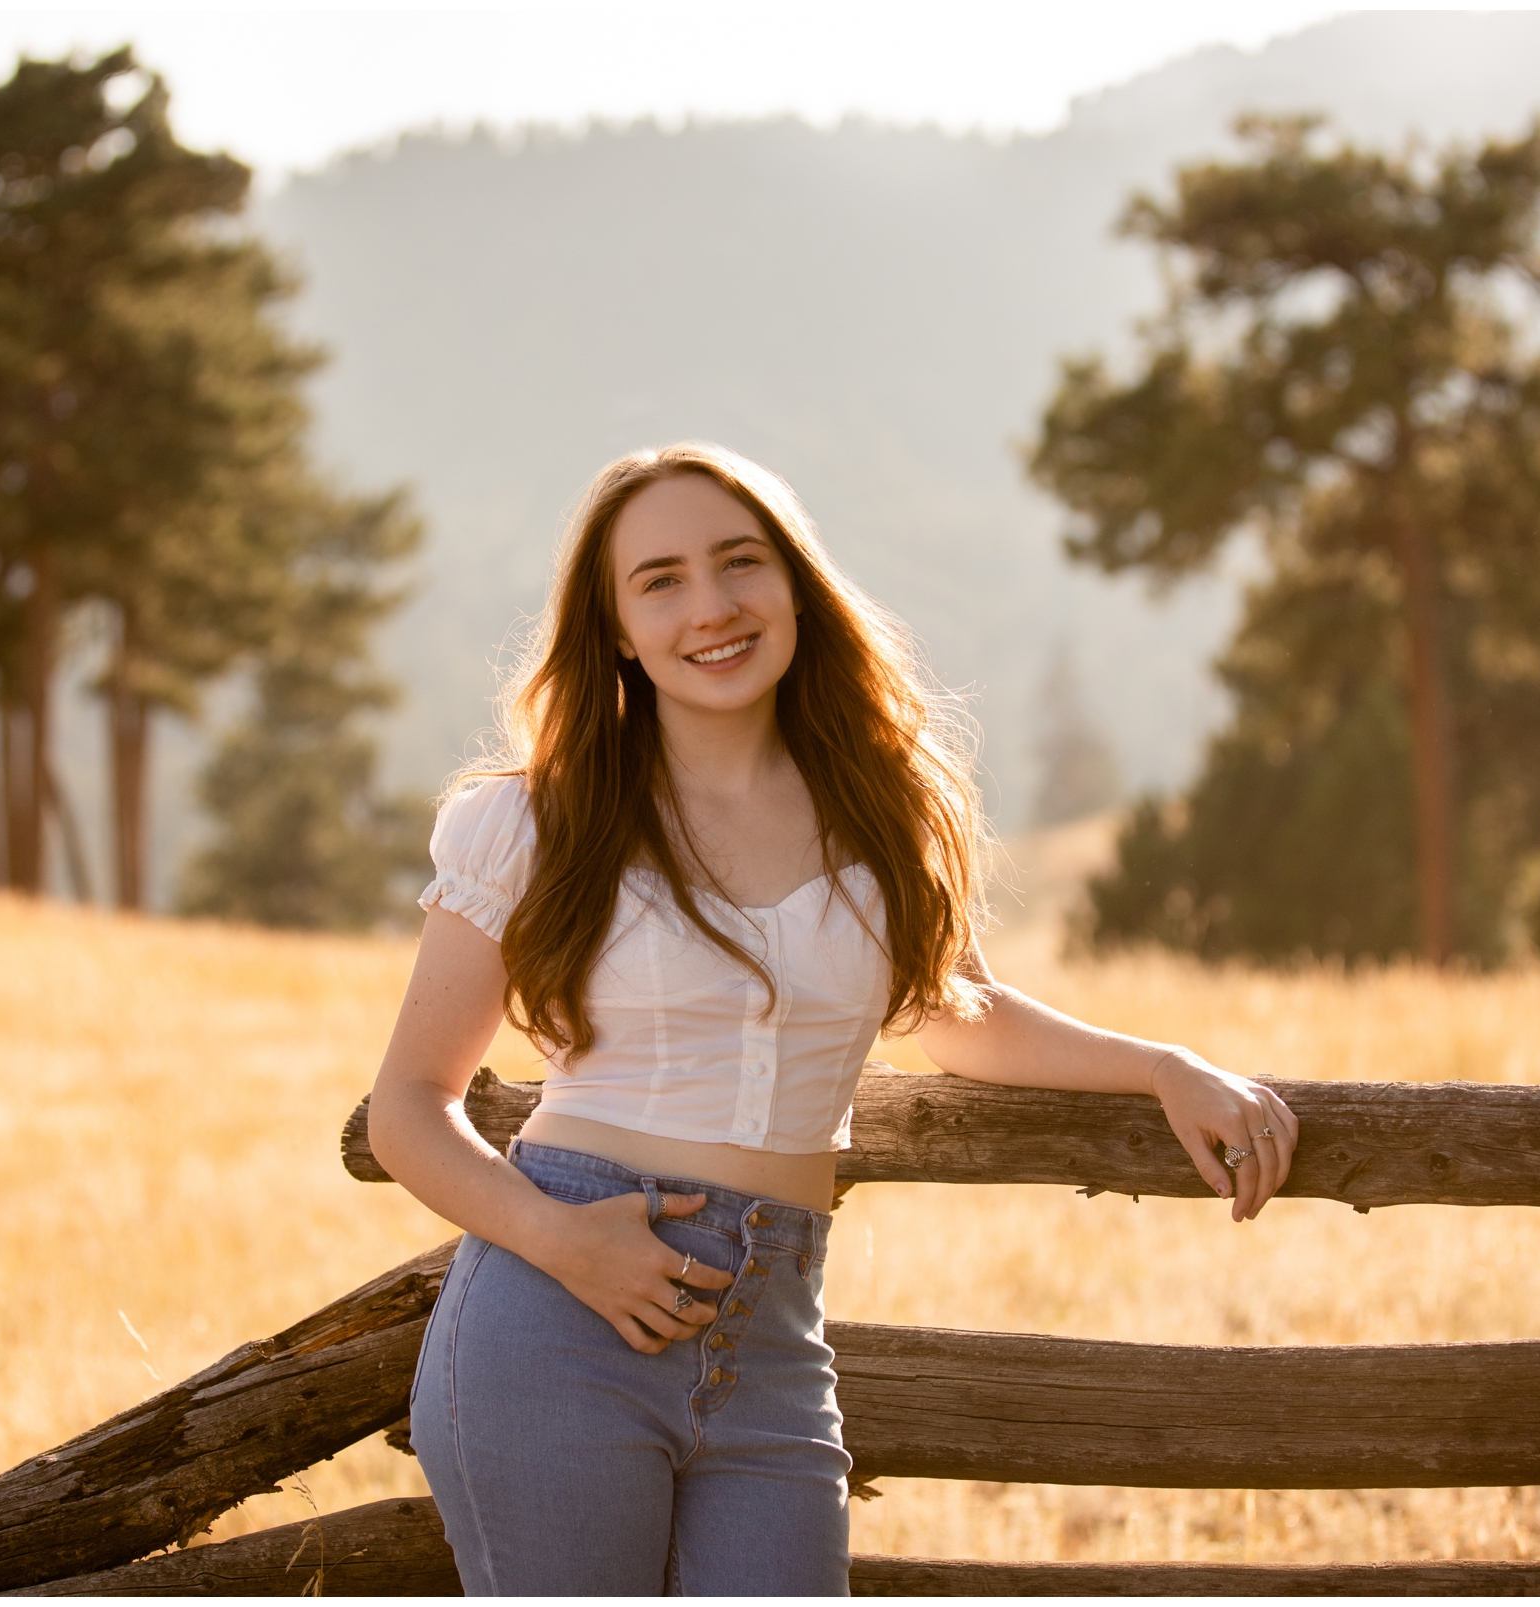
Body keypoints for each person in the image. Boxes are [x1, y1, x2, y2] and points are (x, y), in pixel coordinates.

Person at [366, 443, 1298, 1596]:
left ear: (794, 581)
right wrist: (564, 1241)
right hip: (558, 1318)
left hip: (772, 1335)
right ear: (613, 628)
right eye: (659, 579)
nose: (711, 606)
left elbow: (954, 1010)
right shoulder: (535, 821)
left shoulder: (876, 809)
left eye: (738, 562)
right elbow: (408, 1104)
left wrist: (1163, 1066)